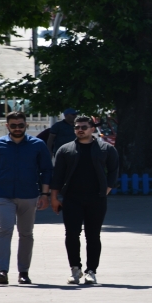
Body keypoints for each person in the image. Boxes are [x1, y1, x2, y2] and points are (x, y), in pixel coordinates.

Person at [0, 111, 53, 284]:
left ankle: (23, 272)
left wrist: (44, 194)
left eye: (21, 125)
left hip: (28, 194)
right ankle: (2, 271)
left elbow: (46, 170)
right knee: (5, 230)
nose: (17, 128)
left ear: (26, 125)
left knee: (26, 233)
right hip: (2, 194)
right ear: (7, 126)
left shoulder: (37, 144)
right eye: (13, 125)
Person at [50, 115, 119, 284]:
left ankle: (91, 271)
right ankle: (75, 269)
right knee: (72, 234)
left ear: (92, 129)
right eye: (77, 127)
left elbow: (114, 171)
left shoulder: (106, 149)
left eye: (84, 127)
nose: (80, 130)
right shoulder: (65, 150)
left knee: (93, 235)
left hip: (96, 198)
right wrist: (54, 198)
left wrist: (106, 190)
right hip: (72, 198)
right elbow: (57, 176)